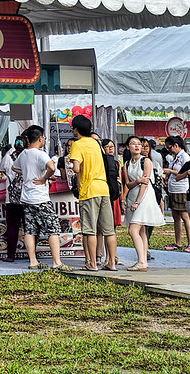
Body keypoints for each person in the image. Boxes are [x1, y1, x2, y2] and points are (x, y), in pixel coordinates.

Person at [12, 125, 65, 271]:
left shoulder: (23, 154)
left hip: (26, 197)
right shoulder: (40, 154)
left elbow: (13, 168)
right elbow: (52, 168)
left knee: (30, 230)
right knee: (53, 228)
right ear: (40, 138)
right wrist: (43, 178)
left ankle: (33, 261)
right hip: (40, 197)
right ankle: (56, 262)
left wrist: (25, 173)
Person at [69, 115, 116, 272]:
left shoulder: (77, 144)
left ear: (76, 129)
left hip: (88, 190)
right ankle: (111, 263)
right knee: (109, 230)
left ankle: (92, 263)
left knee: (90, 230)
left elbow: (76, 168)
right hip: (103, 188)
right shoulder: (96, 143)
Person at [122, 137, 165, 271]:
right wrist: (137, 181)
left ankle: (141, 261)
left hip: (145, 197)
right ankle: (143, 260)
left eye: (139, 144)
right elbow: (128, 184)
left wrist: (137, 201)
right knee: (141, 231)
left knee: (132, 229)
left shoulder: (146, 161)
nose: (137, 146)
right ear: (128, 147)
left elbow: (145, 184)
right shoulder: (127, 163)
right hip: (133, 195)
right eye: (133, 144)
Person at [162, 135, 190, 253]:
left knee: (185, 216)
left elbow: (186, 172)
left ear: (176, 145)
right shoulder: (174, 157)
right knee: (175, 216)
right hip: (172, 188)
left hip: (182, 189)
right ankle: (178, 242)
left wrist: (170, 171)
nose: (169, 151)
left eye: (169, 148)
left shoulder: (185, 157)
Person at [0, 137, 26, 263]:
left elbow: (1, 169)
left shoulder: (8, 157)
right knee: (29, 226)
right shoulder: (28, 156)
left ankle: (11, 255)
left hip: (11, 198)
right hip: (27, 197)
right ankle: (32, 255)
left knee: (12, 227)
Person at [98, 139, 124, 268]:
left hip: (114, 197)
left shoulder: (116, 163)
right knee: (104, 229)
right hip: (105, 196)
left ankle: (112, 257)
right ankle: (104, 257)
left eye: (112, 146)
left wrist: (122, 199)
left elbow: (119, 181)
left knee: (112, 229)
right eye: (107, 147)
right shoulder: (101, 162)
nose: (110, 149)